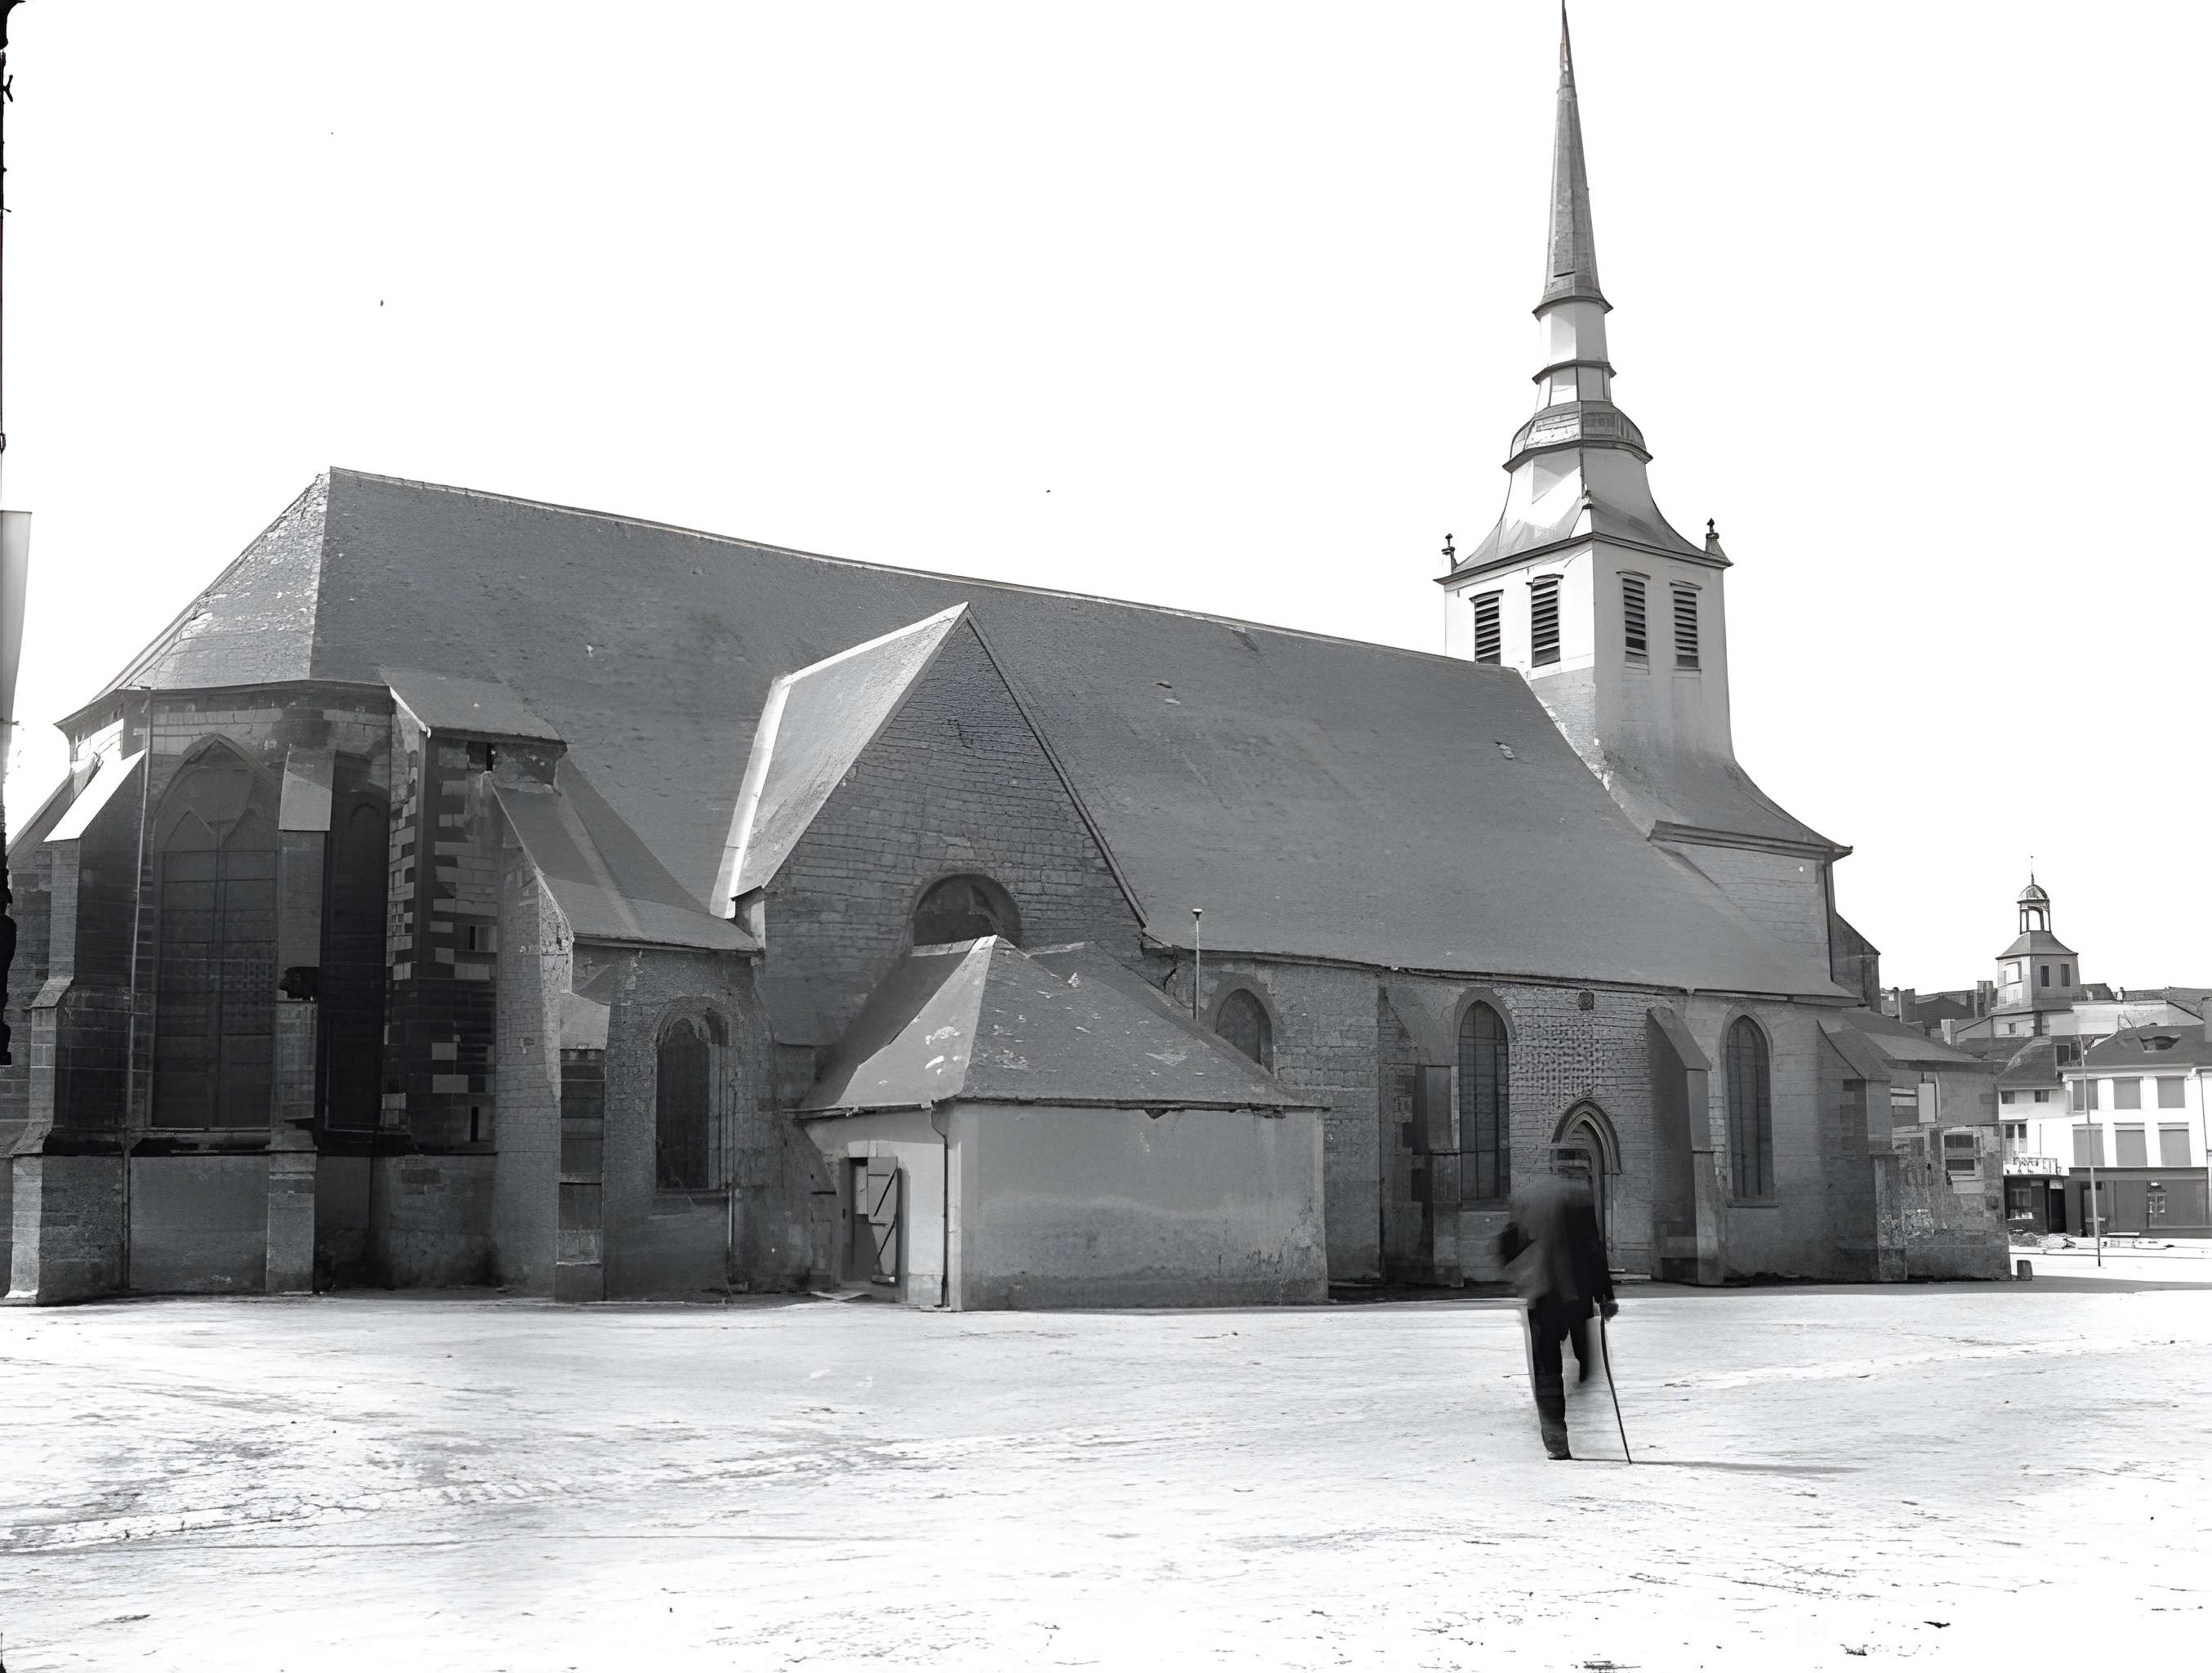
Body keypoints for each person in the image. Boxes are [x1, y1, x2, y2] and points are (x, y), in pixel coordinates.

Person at [1496, 1149, 1617, 1461]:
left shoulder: (1528, 1197)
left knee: (1547, 1369)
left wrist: (1519, 1275)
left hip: (1542, 1297)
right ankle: (1567, 1411)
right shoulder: (1579, 1198)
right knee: (1584, 1363)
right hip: (1574, 1298)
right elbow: (1593, 1249)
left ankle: (1555, 1438)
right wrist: (1605, 1296)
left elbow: (1507, 1245)